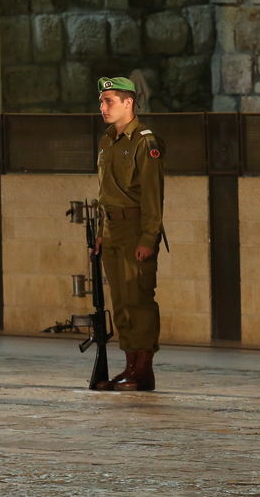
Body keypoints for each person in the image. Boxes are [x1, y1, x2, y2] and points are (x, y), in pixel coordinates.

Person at [94, 76, 165, 392]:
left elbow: (152, 196)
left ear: (128, 103)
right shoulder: (108, 140)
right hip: (112, 228)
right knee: (121, 300)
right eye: (101, 101)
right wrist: (100, 232)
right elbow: (104, 191)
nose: (103, 107)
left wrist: (148, 238)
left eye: (109, 101)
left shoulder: (144, 142)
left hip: (136, 227)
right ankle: (129, 365)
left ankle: (143, 368)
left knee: (139, 298)